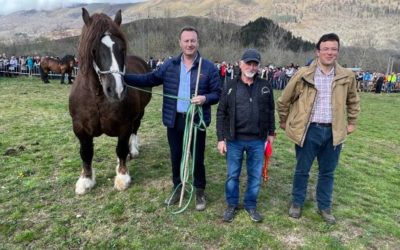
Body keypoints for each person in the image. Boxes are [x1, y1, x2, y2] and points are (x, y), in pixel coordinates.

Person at [124, 26, 221, 211]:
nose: (190, 44)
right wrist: (124, 78)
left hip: (196, 121)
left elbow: (217, 93)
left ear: (197, 42)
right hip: (174, 120)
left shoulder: (207, 67)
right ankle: (177, 187)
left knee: (197, 158)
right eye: (186, 41)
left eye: (193, 40)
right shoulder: (170, 65)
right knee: (176, 156)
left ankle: (200, 190)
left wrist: (205, 98)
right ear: (180, 43)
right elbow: (149, 79)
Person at [277, 33, 360, 224]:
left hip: (333, 132)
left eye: (333, 49)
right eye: (326, 49)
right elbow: (284, 100)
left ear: (337, 52)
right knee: (302, 170)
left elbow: (353, 101)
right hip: (309, 130)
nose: (330, 53)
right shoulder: (303, 74)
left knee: (327, 173)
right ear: (318, 51)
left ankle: (324, 206)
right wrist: (284, 120)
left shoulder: (346, 76)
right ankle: (297, 203)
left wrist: (352, 122)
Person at [216, 49, 276, 223]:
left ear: (258, 66)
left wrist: (271, 132)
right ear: (240, 64)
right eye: (248, 63)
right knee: (232, 175)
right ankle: (232, 205)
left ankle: (251, 205)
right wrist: (221, 139)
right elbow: (221, 113)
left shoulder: (265, 86)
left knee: (254, 175)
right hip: (234, 140)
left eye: (255, 64)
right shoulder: (230, 86)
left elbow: (271, 111)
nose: (251, 67)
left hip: (257, 140)